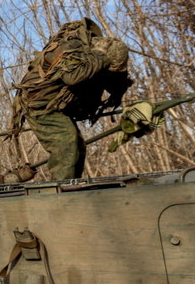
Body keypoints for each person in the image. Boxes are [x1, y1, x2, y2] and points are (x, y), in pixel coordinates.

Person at [13, 17, 133, 179]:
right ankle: (61, 194)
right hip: (39, 104)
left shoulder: (89, 56)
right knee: (66, 142)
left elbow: (110, 81)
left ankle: (71, 186)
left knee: (77, 146)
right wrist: (101, 57)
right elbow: (72, 77)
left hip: (55, 104)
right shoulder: (72, 48)